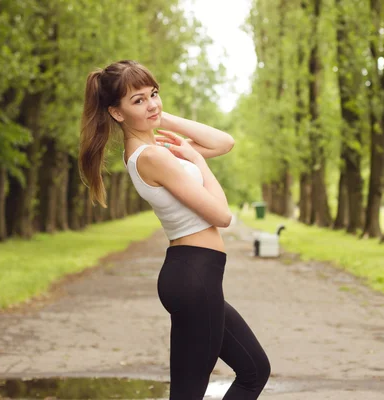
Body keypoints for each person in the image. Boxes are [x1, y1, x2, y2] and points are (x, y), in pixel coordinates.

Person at [78, 60, 270, 399]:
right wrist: (198, 163)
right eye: (137, 100)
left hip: (194, 276)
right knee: (194, 392)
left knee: (254, 369)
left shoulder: (149, 150)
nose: (151, 103)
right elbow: (222, 215)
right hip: (194, 277)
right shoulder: (154, 158)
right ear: (116, 113)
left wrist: (155, 115)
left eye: (153, 94)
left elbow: (223, 142)